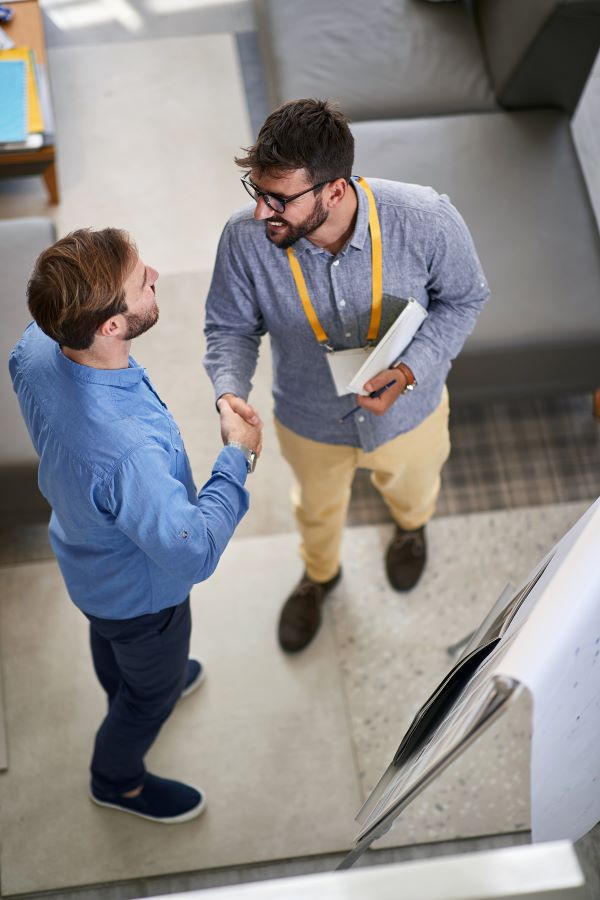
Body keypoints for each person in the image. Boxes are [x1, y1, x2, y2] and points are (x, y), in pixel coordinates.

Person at [204, 99, 489, 654]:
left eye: (279, 198)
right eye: (256, 191)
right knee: (315, 510)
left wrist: (411, 370)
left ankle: (410, 531)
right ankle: (320, 575)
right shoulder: (243, 239)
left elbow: (465, 298)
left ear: (334, 191)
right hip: (309, 418)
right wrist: (229, 390)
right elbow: (229, 327)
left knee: (414, 491)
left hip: (411, 411)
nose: (261, 212)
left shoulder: (427, 220)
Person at [9, 227, 262, 824]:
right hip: (144, 601)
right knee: (149, 696)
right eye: (140, 280)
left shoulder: (36, 347)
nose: (155, 275)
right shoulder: (129, 455)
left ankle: (135, 681)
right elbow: (194, 552)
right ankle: (116, 780)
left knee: (112, 636)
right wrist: (239, 455)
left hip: (87, 561)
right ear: (111, 326)